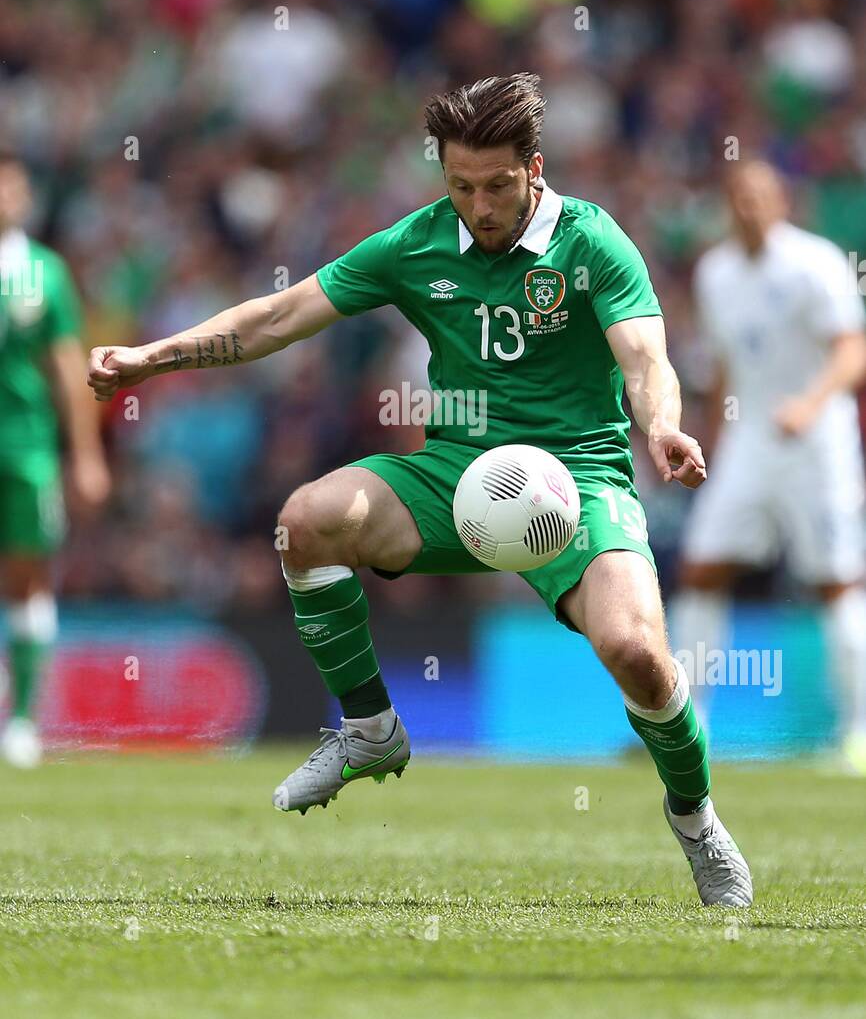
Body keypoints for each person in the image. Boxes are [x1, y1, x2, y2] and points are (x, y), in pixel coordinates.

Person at [88, 73, 752, 907]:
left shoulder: (592, 241)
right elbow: (277, 318)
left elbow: (646, 358)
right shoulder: (415, 244)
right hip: (457, 472)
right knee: (308, 521)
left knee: (639, 657)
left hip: (577, 477)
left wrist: (660, 427)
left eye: (498, 186)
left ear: (535, 170)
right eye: (461, 185)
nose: (479, 205)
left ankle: (696, 821)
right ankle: (369, 731)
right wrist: (153, 357)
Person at [671, 160, 866, 771]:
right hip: (747, 444)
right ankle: (688, 727)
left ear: (781, 202)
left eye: (759, 196)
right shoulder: (716, 272)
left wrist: (809, 405)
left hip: (817, 444)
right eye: (738, 197)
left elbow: (853, 351)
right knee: (702, 570)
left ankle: (857, 733)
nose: (749, 207)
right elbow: (726, 364)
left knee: (835, 582)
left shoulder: (817, 264)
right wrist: (709, 442)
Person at [0, 154, 111, 766]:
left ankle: (22, 720)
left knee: (27, 573)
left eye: (11, 185)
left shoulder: (44, 272)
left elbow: (71, 370)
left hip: (24, 446)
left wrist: (86, 455)